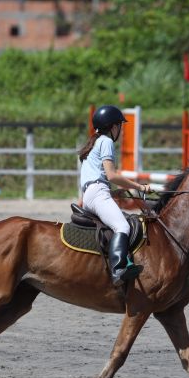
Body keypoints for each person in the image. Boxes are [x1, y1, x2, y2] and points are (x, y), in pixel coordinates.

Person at [77, 105, 152, 286]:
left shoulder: (93, 143)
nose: (121, 130)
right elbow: (112, 175)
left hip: (90, 195)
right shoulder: (106, 141)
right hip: (97, 193)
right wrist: (139, 187)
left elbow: (95, 179)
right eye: (120, 125)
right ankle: (119, 268)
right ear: (113, 126)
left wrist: (113, 192)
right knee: (123, 227)